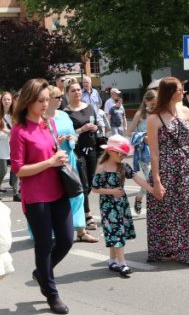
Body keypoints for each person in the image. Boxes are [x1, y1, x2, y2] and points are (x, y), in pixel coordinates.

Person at [11, 79, 75, 314]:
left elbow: (52, 152)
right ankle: (51, 293)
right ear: (28, 101)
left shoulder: (49, 124)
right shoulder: (19, 130)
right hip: (36, 195)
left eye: (47, 99)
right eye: (41, 100)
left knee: (67, 239)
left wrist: (59, 156)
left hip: (58, 189)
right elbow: (19, 170)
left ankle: (42, 273)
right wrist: (48, 162)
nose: (45, 104)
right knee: (44, 245)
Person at [147, 77, 189, 268]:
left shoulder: (185, 110)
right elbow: (154, 152)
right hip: (166, 168)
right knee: (167, 211)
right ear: (169, 92)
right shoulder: (154, 118)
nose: (182, 92)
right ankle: (168, 249)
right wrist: (157, 181)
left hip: (185, 166)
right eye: (179, 89)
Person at [92, 135, 152, 277]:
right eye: (121, 153)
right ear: (111, 151)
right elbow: (94, 188)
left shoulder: (124, 167)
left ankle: (112, 261)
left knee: (117, 232)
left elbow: (138, 179)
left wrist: (152, 190)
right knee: (117, 232)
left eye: (125, 154)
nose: (123, 156)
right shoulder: (102, 167)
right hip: (108, 206)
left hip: (121, 205)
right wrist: (111, 191)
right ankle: (122, 264)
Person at [46, 87, 95, 244]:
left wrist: (71, 138)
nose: (61, 99)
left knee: (78, 194)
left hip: (70, 159)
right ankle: (54, 231)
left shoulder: (64, 115)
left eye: (61, 97)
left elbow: (73, 134)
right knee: (57, 197)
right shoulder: (43, 119)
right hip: (54, 162)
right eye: (58, 97)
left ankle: (81, 230)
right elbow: (41, 142)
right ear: (49, 99)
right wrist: (56, 142)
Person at [65, 80, 101, 231]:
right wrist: (82, 129)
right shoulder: (66, 112)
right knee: (84, 184)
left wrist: (94, 127)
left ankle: (78, 210)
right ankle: (87, 214)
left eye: (79, 90)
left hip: (91, 148)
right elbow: (67, 133)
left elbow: (96, 123)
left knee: (92, 182)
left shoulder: (89, 107)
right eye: (73, 90)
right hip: (77, 150)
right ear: (67, 93)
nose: (77, 93)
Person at [128, 89, 157, 214]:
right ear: (146, 101)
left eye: (156, 104)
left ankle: (139, 197)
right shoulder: (140, 114)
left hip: (158, 150)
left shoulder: (159, 113)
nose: (154, 106)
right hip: (144, 152)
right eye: (152, 103)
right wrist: (142, 137)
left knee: (154, 179)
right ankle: (154, 208)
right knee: (150, 180)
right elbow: (129, 132)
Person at [0, 92, 19, 201]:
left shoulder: (15, 114)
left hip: (14, 144)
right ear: (1, 101)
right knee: (3, 170)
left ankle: (16, 193)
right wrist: (11, 132)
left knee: (15, 169)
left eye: (8, 99)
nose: (7, 101)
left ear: (12, 101)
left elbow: (18, 128)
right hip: (2, 145)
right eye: (4, 99)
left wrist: (9, 131)